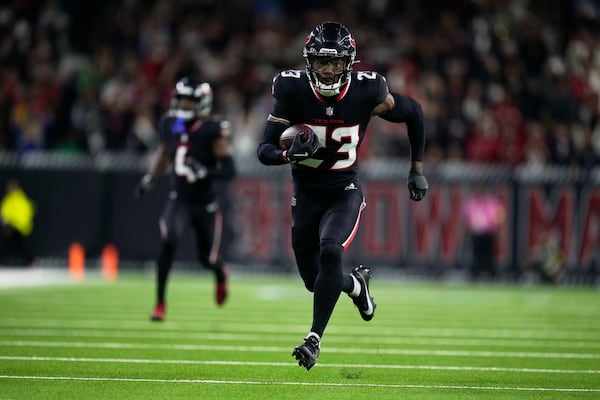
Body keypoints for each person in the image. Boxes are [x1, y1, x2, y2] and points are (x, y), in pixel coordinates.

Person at [256, 21, 429, 370]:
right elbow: (264, 148)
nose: (329, 69)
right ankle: (356, 286)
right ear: (309, 61)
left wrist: (417, 168)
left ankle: (313, 339)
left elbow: (413, 111)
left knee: (332, 251)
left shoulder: (368, 92)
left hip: (343, 191)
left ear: (349, 62)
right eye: (322, 61)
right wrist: (288, 155)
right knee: (314, 280)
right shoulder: (293, 90)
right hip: (305, 194)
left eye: (335, 63)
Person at [135, 77, 236, 321]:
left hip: (206, 206)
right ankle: (160, 303)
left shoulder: (212, 130)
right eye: (183, 100)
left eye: (191, 101)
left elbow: (229, 170)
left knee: (207, 260)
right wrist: (151, 177)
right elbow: (169, 150)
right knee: (169, 238)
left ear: (202, 103)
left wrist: (205, 171)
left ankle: (220, 273)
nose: (186, 105)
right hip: (179, 199)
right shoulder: (174, 123)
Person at [462, 182, 506, 281]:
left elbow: (499, 217)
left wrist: (498, 230)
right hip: (476, 233)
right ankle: (475, 275)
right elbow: (466, 218)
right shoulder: (471, 202)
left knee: (488, 255)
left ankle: (491, 276)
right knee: (476, 255)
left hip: (488, 233)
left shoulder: (492, 201)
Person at [0, 179, 36, 266]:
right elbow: (3, 213)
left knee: (19, 245)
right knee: (10, 245)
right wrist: (6, 223)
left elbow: (26, 213)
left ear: (16, 188)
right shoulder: (7, 200)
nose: (9, 189)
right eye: (8, 188)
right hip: (10, 227)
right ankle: (30, 261)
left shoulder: (21, 200)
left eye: (11, 187)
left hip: (20, 228)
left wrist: (17, 224)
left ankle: (30, 261)